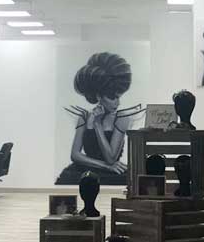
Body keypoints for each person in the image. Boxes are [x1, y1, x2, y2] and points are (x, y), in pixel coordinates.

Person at [56, 52, 143, 185]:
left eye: (119, 97)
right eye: (112, 97)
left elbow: (111, 158)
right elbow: (75, 155)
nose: (118, 103)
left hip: (113, 174)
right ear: (98, 96)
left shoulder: (121, 119)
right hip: (85, 171)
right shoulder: (84, 117)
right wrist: (106, 166)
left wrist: (97, 125)